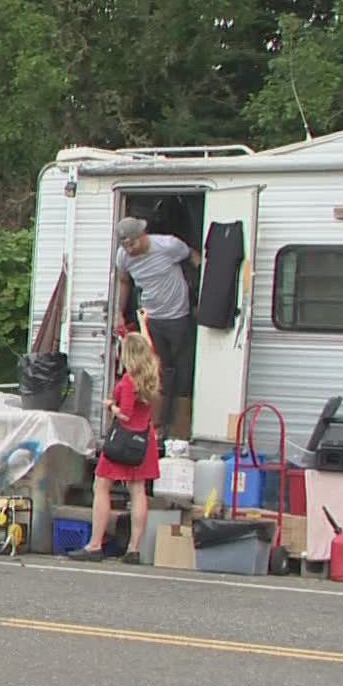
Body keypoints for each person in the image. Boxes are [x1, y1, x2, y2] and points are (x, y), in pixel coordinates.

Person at [70, 332, 162, 564]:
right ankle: (134, 549)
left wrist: (111, 406)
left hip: (123, 440)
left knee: (101, 485)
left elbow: (126, 415)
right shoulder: (151, 377)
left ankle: (94, 544)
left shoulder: (129, 382)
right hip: (143, 441)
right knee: (138, 491)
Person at [112, 216, 198, 434]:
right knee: (157, 370)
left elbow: (194, 257)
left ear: (143, 235)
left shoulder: (168, 245)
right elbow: (124, 281)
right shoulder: (123, 257)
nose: (129, 249)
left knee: (183, 369)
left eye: (132, 243)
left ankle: (181, 428)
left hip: (178, 315)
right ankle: (156, 427)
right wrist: (119, 313)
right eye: (125, 245)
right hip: (150, 318)